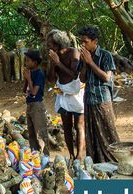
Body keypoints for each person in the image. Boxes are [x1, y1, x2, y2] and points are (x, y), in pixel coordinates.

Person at [77, 26, 120, 163]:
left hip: (102, 100)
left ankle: (116, 162)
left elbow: (107, 78)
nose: (83, 45)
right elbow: (82, 79)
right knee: (92, 135)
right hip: (89, 99)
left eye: (85, 41)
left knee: (108, 134)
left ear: (94, 41)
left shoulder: (105, 55)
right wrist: (84, 64)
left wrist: (90, 62)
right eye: (81, 42)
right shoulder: (83, 57)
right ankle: (97, 164)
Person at [46, 29, 85, 161]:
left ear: (58, 44)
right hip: (62, 94)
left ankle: (79, 155)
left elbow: (74, 74)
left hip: (76, 93)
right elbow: (51, 79)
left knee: (79, 125)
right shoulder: (53, 57)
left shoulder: (73, 52)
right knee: (67, 127)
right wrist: (52, 64)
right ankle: (72, 155)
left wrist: (58, 63)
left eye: (50, 44)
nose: (48, 47)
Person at [23, 50, 50, 156]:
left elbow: (34, 92)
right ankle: (35, 156)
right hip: (29, 104)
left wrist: (29, 79)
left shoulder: (39, 73)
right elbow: (24, 90)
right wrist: (26, 79)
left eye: (28, 61)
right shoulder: (30, 72)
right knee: (32, 134)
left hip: (37, 105)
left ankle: (45, 157)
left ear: (35, 62)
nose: (26, 63)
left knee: (40, 133)